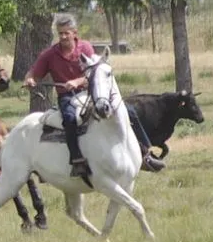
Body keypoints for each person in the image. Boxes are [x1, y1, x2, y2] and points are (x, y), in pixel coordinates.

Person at [23, 13, 165, 177]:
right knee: (69, 119)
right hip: (67, 98)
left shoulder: (85, 48)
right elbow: (34, 72)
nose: (62, 37)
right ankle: (77, 161)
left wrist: (77, 82)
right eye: (60, 33)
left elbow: (95, 73)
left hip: (90, 92)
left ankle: (146, 154)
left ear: (74, 33)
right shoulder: (49, 54)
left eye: (66, 33)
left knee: (129, 112)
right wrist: (30, 79)